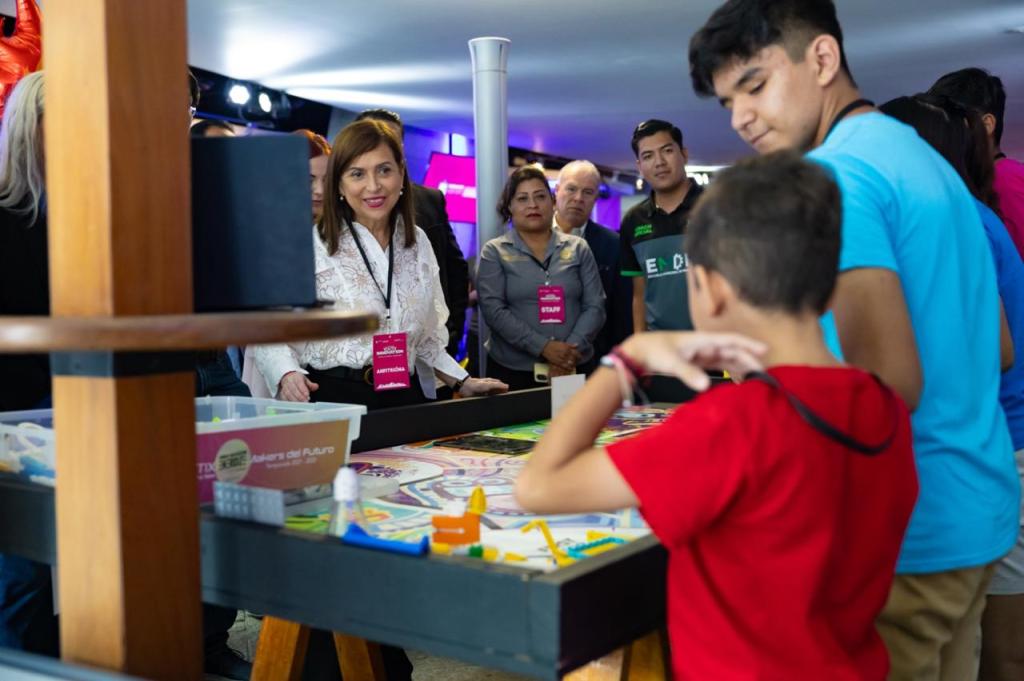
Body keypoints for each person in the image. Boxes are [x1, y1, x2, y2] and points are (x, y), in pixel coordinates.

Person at [688, 2, 1019, 679]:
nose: (741, 117)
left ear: (822, 58)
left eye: (755, 85)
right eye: (728, 102)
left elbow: (885, 385)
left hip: (906, 535)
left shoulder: (837, 176)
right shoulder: (929, 162)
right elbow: (998, 344)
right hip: (974, 509)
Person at [516, 151, 918, 680]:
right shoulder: (884, 403)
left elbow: (538, 486)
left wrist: (625, 362)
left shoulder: (732, 423)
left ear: (714, 289)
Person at [880, 93, 1024, 681]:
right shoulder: (963, 216)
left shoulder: (948, 223)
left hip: (977, 452)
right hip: (984, 453)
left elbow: (996, 350)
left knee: (984, 646)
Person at [253, 120, 505, 408]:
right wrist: (287, 375)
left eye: (384, 170)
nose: (373, 186)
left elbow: (426, 340)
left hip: (404, 398)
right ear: (339, 183)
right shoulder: (306, 244)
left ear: (401, 173)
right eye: (357, 174)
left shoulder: (417, 241)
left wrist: (462, 381)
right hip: (333, 399)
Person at [354, 109, 469, 359]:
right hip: (360, 355)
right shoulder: (341, 210)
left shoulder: (429, 201)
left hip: (427, 350)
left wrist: (451, 333)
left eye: (389, 141)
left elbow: (454, 270)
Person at [477, 166, 605, 390]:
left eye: (540, 197)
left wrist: (567, 353)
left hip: (574, 364)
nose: (533, 205)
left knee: (577, 416)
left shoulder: (578, 247)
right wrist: (544, 347)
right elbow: (494, 311)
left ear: (552, 201)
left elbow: (595, 305)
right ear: (509, 206)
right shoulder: (495, 251)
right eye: (522, 198)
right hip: (513, 371)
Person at [929, 68, 1024, 259]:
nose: (941, 133)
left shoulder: (1005, 181)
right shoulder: (992, 179)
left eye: (950, 123)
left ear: (987, 124)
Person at [619, 119, 703, 333]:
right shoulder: (633, 221)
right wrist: (640, 343)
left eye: (667, 151)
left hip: (714, 341)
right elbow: (639, 295)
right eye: (648, 156)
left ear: (684, 154)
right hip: (661, 344)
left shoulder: (717, 206)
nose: (659, 162)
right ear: (639, 166)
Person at [553, 160, 632, 358]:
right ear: (557, 190)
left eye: (587, 192)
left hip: (594, 357)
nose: (578, 198)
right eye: (571, 189)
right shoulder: (531, 239)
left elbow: (621, 313)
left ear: (596, 197)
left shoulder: (613, 245)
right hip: (535, 356)